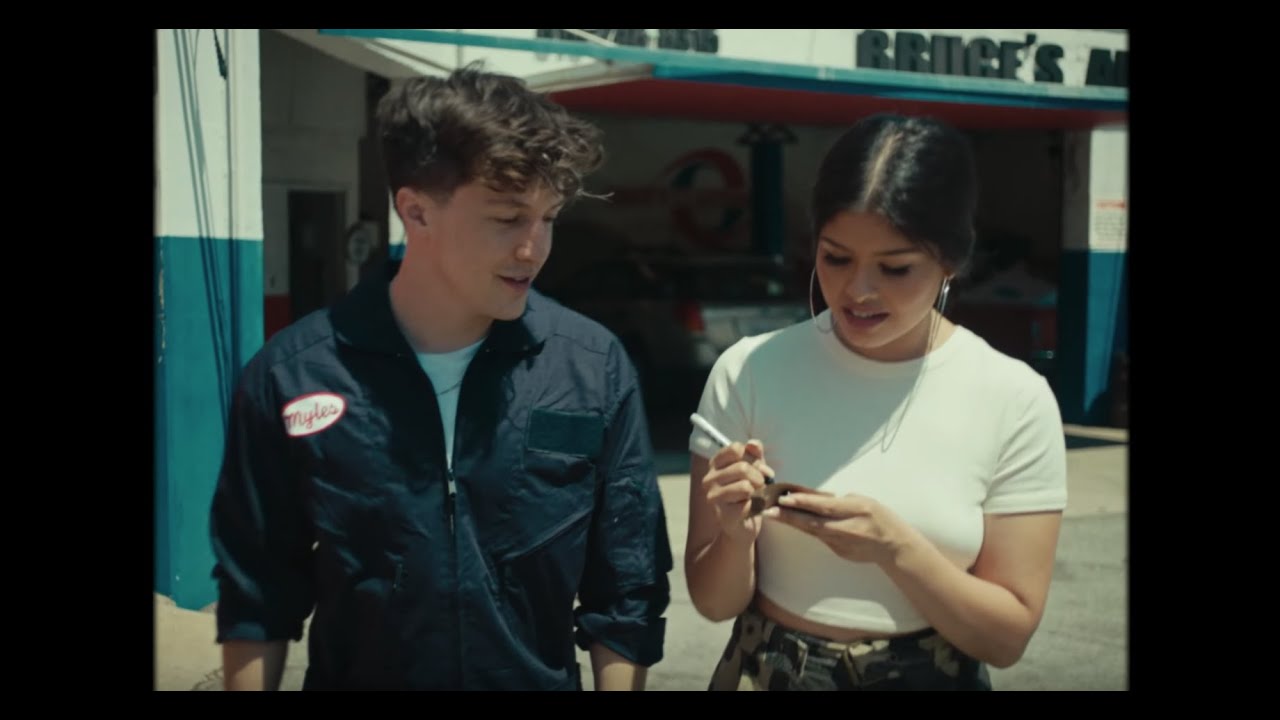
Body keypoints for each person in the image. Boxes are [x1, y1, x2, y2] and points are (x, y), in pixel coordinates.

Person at [209, 63, 673, 691]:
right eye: (508, 218)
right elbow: (257, 588)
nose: (534, 248)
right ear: (417, 212)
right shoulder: (293, 375)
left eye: (549, 218)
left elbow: (626, 587)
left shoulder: (591, 369)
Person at [684, 113, 1067, 691]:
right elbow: (714, 604)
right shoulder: (748, 371)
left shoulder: (1014, 398)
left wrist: (897, 549)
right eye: (836, 258)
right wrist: (736, 537)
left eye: (895, 268)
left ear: (952, 260)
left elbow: (1005, 639)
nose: (858, 290)